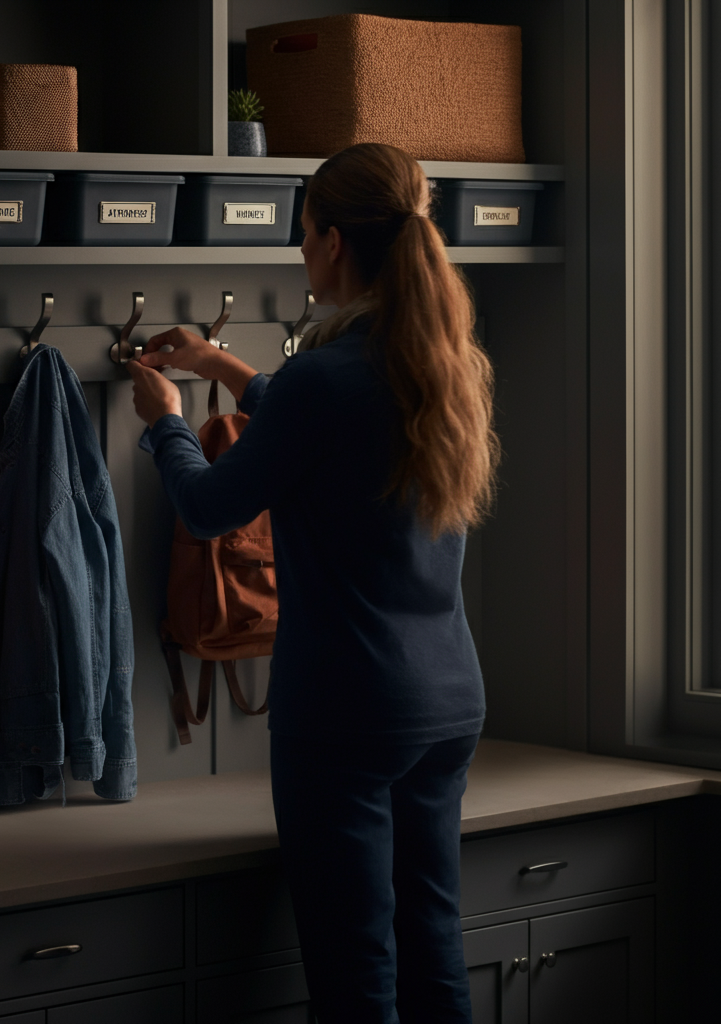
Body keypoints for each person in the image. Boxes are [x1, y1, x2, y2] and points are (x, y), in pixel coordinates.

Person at [128, 143, 498, 1023]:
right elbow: (329, 421)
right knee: (433, 941)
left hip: (348, 712)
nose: (299, 253)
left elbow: (213, 508)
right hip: (447, 703)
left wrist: (168, 424)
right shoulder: (448, 368)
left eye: (302, 236)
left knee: (355, 965)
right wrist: (224, 369)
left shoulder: (322, 381)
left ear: (333, 241)